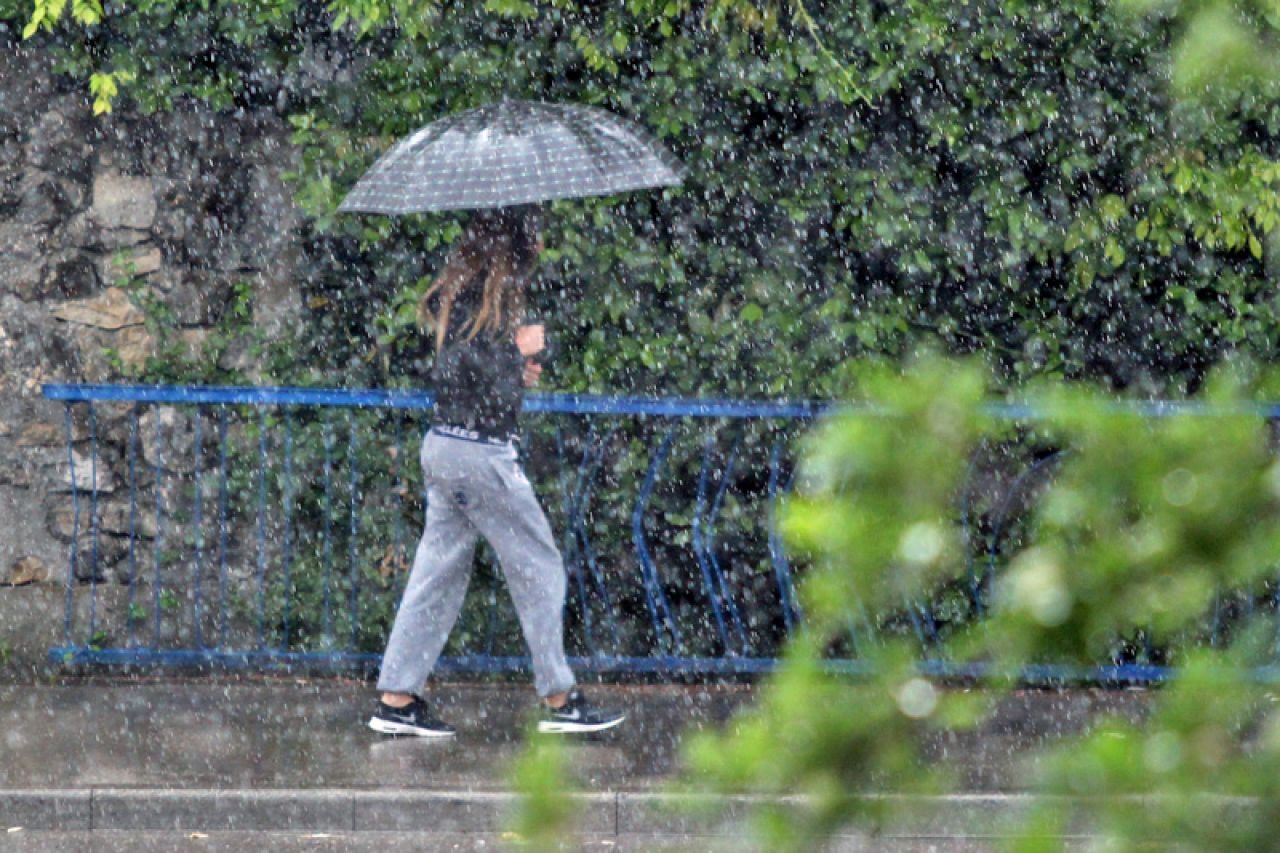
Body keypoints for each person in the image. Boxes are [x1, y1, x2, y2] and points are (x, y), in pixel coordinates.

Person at [368, 207, 624, 737]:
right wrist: (514, 350)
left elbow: (465, 377)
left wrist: (517, 369)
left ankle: (396, 699)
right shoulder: (483, 297)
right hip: (479, 456)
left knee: (435, 576)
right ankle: (560, 699)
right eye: (538, 235)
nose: (543, 244)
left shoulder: (469, 292)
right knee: (539, 566)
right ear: (518, 241)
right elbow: (463, 370)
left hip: (446, 447)